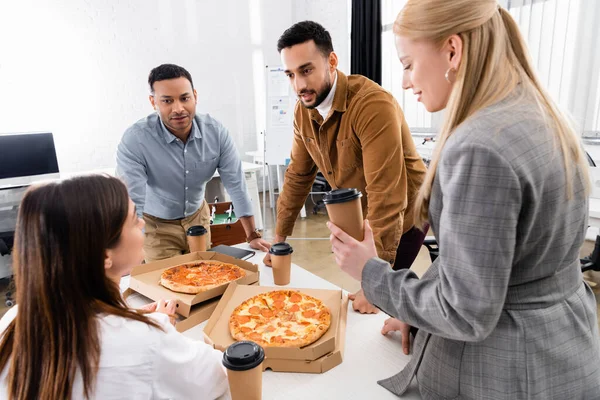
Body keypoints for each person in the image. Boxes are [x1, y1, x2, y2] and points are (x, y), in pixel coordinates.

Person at [328, 1, 600, 398]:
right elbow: (488, 268)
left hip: (506, 369)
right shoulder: (541, 114)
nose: (405, 81)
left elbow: (464, 311)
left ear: (452, 51)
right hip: (563, 347)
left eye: (407, 64)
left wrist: (369, 272)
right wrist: (420, 317)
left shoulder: (479, 146)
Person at [0, 175, 230, 399]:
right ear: (104, 255)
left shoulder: (11, 322)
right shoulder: (146, 340)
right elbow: (221, 374)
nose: (142, 223)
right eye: (133, 219)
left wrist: (133, 318)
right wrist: (156, 327)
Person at [266, 21, 427, 314]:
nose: (299, 85)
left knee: (382, 306)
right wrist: (278, 238)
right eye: (291, 74)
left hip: (407, 212)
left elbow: (387, 195)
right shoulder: (303, 111)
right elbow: (298, 176)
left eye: (306, 70)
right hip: (369, 213)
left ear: (332, 61)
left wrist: (374, 286)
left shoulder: (372, 105)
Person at [117, 64, 270, 262]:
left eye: (184, 98)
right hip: (156, 226)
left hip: (198, 218)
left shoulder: (216, 132)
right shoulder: (135, 140)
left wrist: (252, 235)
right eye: (167, 101)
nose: (178, 108)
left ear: (195, 96)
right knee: (167, 283)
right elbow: (132, 200)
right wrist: (130, 251)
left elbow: (236, 185)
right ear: (153, 102)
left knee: (204, 277)